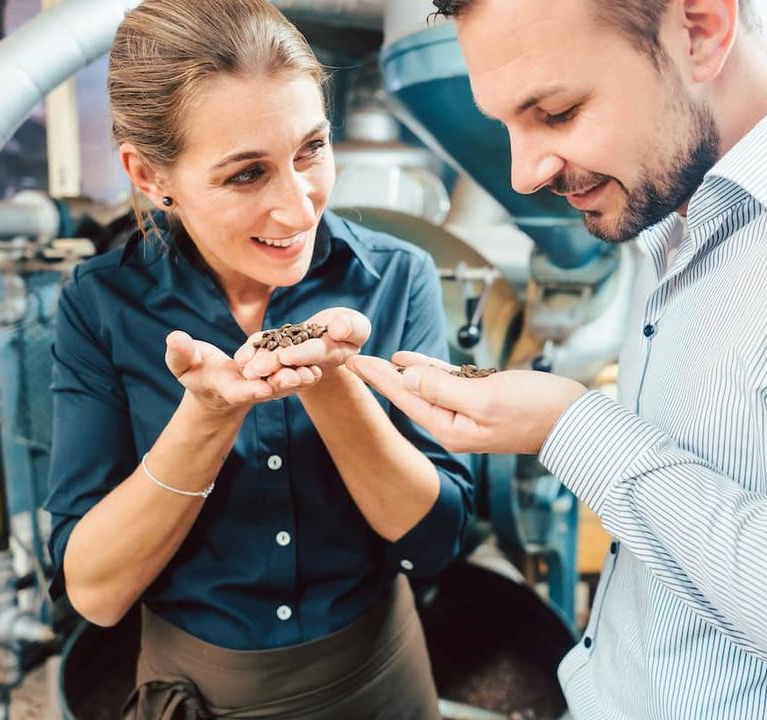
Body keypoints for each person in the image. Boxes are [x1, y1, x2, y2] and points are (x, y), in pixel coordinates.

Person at [347, 0, 767, 717]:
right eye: (505, 123)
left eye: (557, 112)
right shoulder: (679, 211)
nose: (525, 172)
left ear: (700, 29)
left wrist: (573, 427)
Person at [43, 1, 473, 717]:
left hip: (378, 678)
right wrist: (207, 417)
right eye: (247, 175)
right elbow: (96, 592)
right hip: (201, 691)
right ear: (151, 177)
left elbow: (434, 542)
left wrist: (331, 380)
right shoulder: (102, 304)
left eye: (310, 149)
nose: (300, 209)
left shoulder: (397, 279)